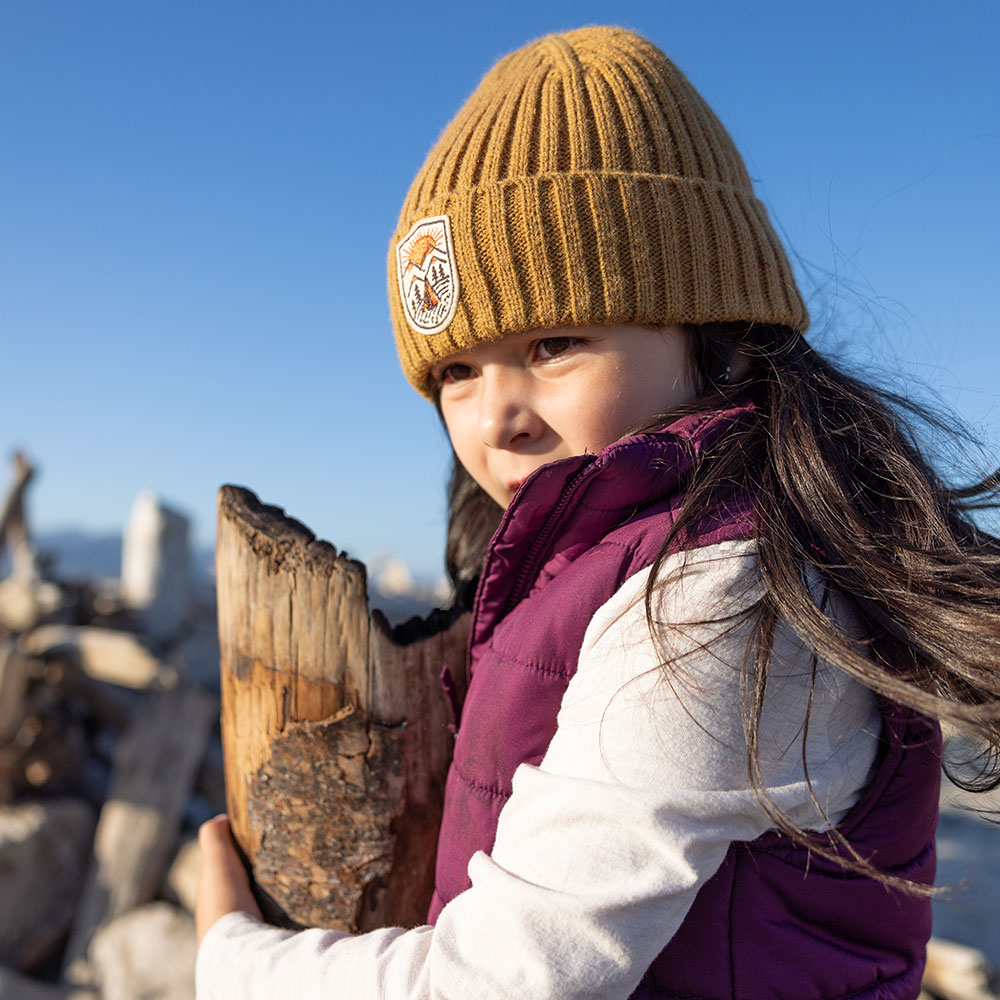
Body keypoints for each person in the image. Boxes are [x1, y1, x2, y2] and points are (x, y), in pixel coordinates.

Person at [195, 26, 1000, 999]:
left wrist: (232, 956)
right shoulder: (606, 567)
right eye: (455, 371)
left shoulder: (723, 600)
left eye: (554, 343)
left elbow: (503, 982)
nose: (496, 417)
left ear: (722, 335)